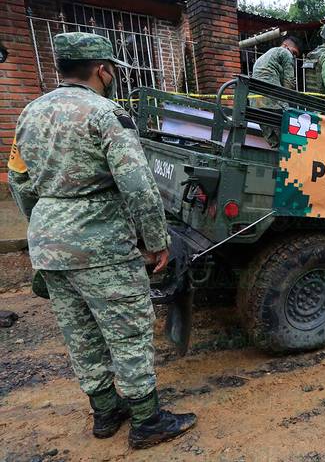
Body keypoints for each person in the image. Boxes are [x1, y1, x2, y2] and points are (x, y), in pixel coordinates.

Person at [8, 32, 196, 449]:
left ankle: (106, 412)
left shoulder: (29, 114)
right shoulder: (105, 114)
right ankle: (148, 422)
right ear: (102, 69)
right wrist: (156, 241)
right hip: (102, 246)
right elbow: (138, 186)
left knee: (81, 334)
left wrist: (48, 225)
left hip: (49, 245)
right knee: (127, 333)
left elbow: (18, 181)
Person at [251, 36, 302, 146]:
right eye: (294, 53)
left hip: (255, 103)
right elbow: (289, 82)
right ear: (285, 45)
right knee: (290, 135)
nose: (293, 56)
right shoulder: (285, 52)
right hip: (273, 99)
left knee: (274, 141)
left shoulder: (264, 56)